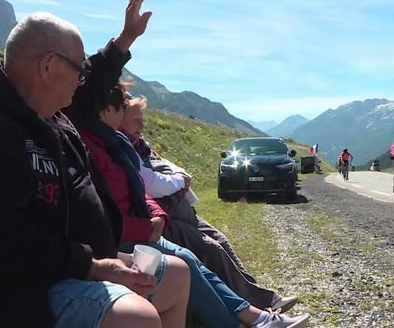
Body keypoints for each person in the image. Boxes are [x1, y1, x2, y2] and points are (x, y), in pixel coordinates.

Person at [0, 0, 190, 328]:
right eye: (78, 71)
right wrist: (95, 268)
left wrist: (125, 40)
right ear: (48, 66)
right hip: (19, 291)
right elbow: (4, 246)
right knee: (137, 319)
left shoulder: (55, 121)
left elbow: (94, 83)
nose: (81, 80)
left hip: (77, 267)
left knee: (176, 275)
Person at [66, 78, 310, 328]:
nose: (140, 124)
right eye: (124, 111)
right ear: (107, 111)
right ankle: (245, 324)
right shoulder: (92, 149)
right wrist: (148, 225)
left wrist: (157, 215)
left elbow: (138, 187)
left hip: (151, 224)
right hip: (128, 235)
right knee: (192, 256)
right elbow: (107, 210)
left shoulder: (114, 145)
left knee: (195, 254)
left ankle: (257, 315)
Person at [119, 94, 298, 311]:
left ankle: (259, 295)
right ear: (119, 117)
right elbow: (152, 184)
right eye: (136, 119)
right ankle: (260, 304)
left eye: (143, 118)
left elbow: (171, 166)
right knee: (211, 249)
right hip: (167, 216)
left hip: (181, 209)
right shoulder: (123, 146)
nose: (142, 124)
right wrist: (179, 181)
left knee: (220, 240)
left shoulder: (140, 145)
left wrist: (179, 176)